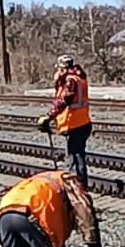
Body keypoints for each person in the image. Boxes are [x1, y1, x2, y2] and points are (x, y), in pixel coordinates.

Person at [36, 54, 92, 188]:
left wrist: (49, 116)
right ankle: (79, 186)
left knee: (75, 159)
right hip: (82, 122)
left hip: (75, 124)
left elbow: (64, 101)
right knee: (77, 157)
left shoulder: (70, 81)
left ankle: (78, 189)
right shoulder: (78, 77)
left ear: (63, 68)